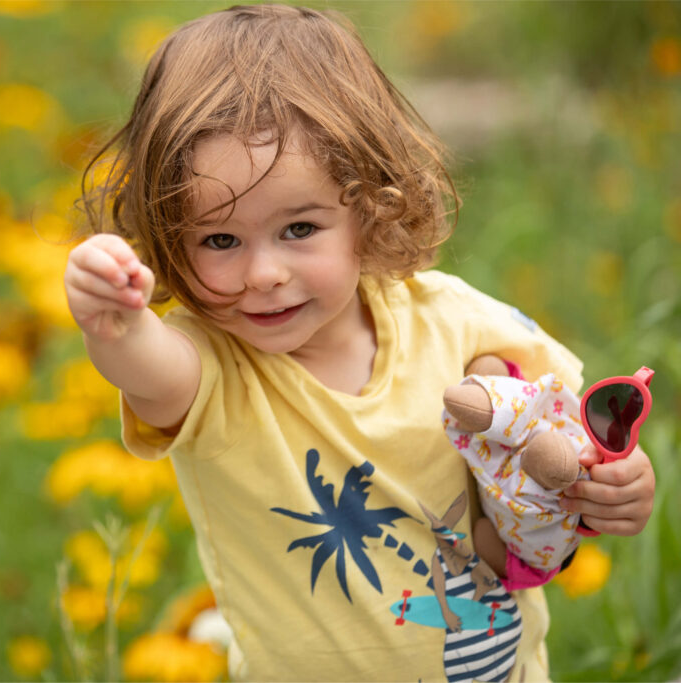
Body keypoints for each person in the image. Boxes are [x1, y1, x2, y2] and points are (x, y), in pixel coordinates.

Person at [62, 5, 656, 681]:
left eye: (299, 229)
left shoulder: (456, 322)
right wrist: (115, 323)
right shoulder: (216, 368)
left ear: (366, 205)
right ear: (172, 238)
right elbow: (151, 371)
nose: (264, 274)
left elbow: (558, 457)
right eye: (220, 240)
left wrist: (614, 488)